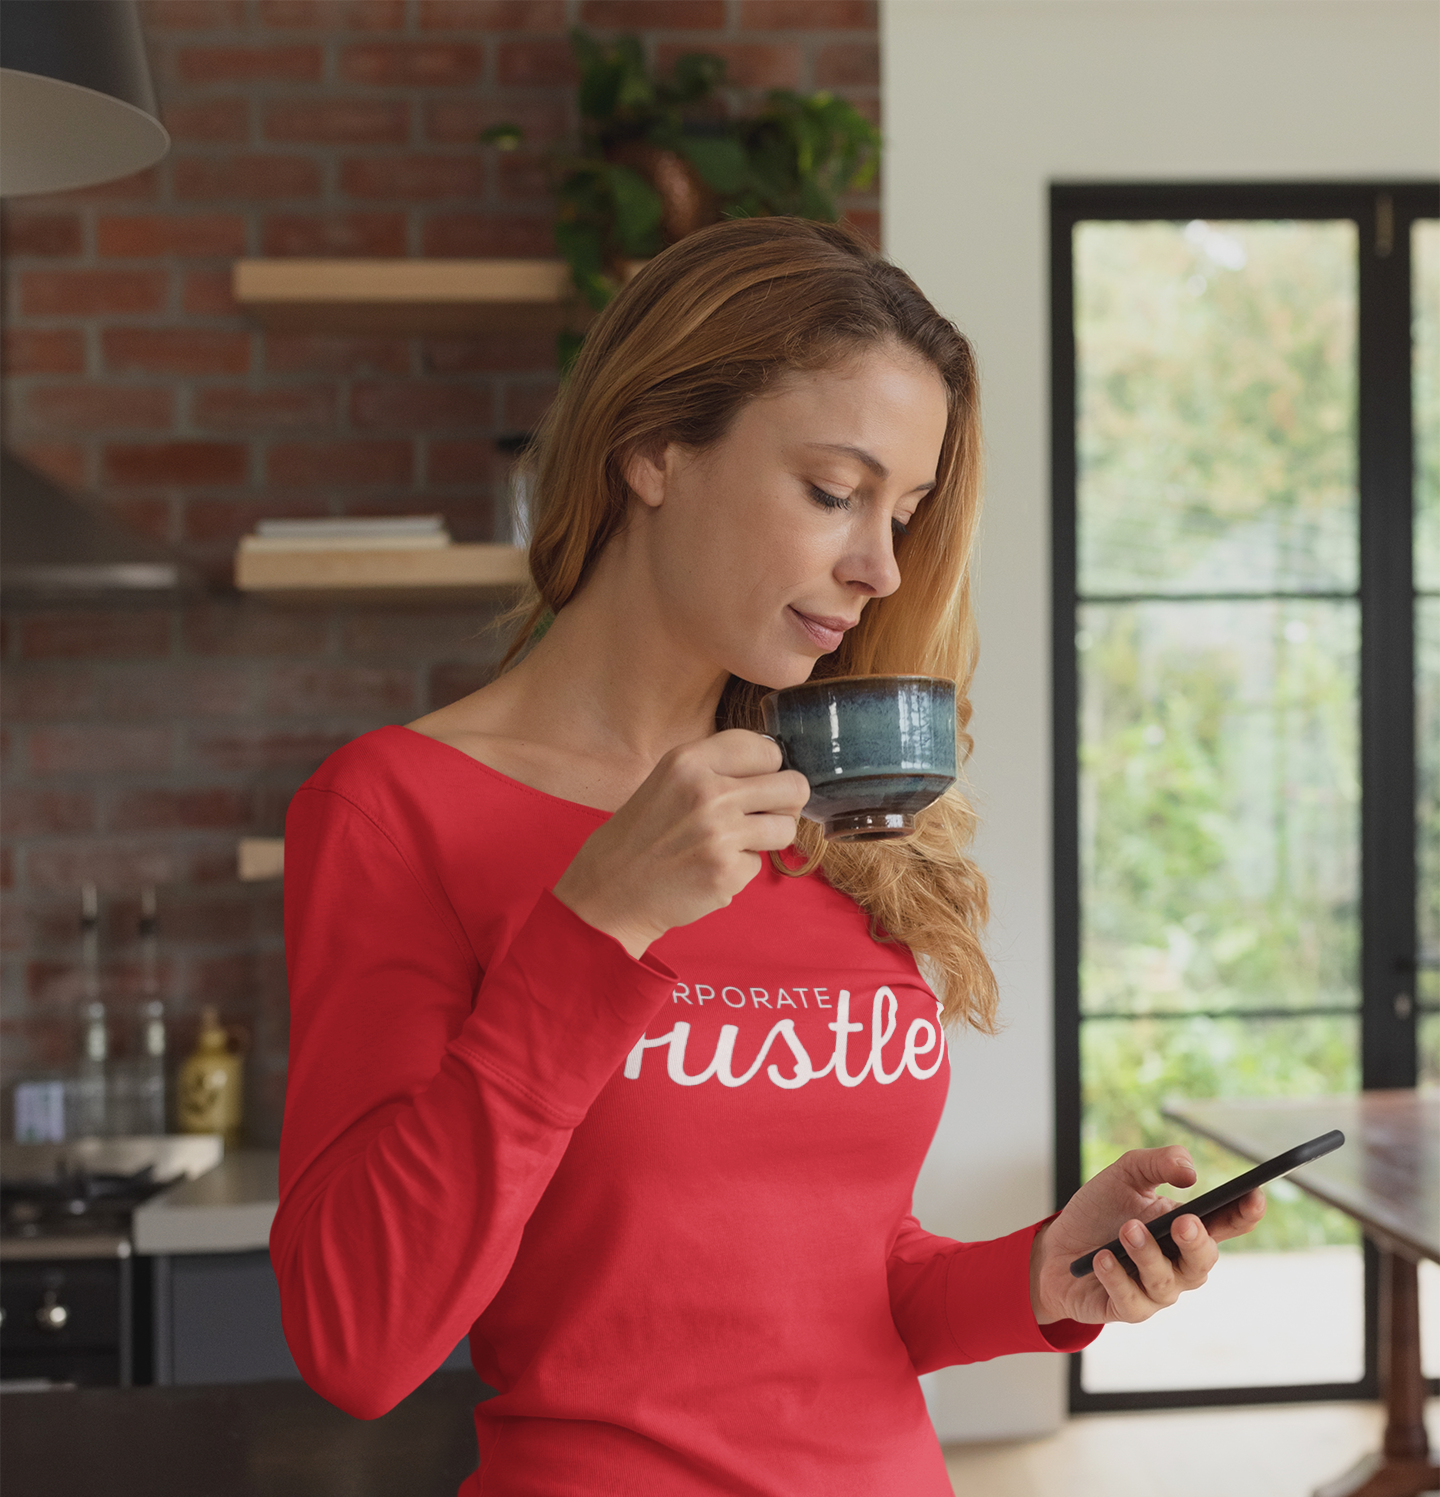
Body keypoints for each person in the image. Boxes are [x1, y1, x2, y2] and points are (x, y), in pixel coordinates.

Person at [271, 217, 1264, 1496]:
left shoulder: (831, 809)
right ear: (653, 447)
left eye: (904, 512)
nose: (880, 566)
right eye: (833, 492)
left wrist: (1038, 1276)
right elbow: (356, 1342)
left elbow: (842, 1286)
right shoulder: (397, 809)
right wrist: (594, 928)